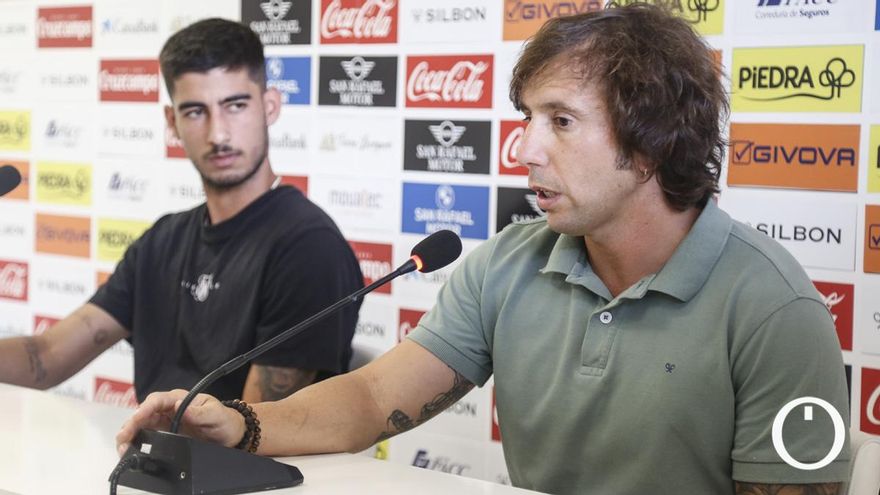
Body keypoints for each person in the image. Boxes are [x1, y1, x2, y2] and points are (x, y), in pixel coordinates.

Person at [117, 5, 850, 494]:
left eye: (561, 121)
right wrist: (240, 422)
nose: (523, 149)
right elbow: (373, 398)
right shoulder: (509, 262)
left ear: (652, 137)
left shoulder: (774, 309)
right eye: (527, 117)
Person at [0, 18, 363, 404]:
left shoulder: (308, 247)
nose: (218, 134)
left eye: (235, 106)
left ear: (269, 106)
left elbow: (256, 426)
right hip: (147, 442)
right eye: (195, 112)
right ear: (172, 122)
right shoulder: (163, 239)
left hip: (223, 447)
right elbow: (47, 357)